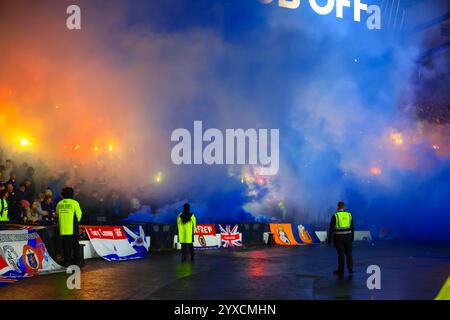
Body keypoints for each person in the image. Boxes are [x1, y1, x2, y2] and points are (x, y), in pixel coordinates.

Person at [56, 187, 83, 266]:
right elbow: (79, 215)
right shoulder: (74, 203)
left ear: (63, 194)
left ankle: (67, 262)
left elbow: (57, 215)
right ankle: (77, 261)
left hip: (63, 228)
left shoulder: (59, 203)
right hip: (73, 227)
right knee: (75, 245)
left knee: (66, 246)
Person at [328, 201, 354, 277]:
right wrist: (352, 237)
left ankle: (341, 271)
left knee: (341, 254)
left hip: (338, 238)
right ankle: (350, 269)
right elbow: (352, 227)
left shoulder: (335, 215)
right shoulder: (349, 215)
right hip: (348, 237)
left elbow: (331, 228)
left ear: (338, 207)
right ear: (344, 207)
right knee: (349, 253)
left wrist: (329, 239)